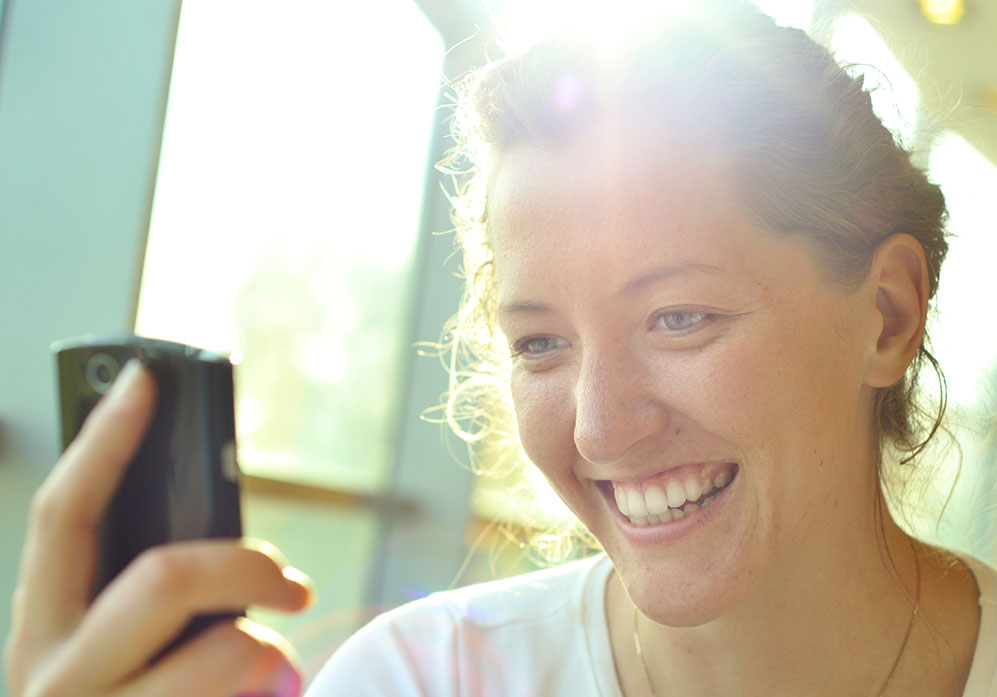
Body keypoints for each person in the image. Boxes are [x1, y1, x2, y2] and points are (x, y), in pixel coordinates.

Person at [6, 1, 995, 696]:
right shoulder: (416, 681)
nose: (602, 427)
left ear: (887, 316)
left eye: (678, 317)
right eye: (539, 342)